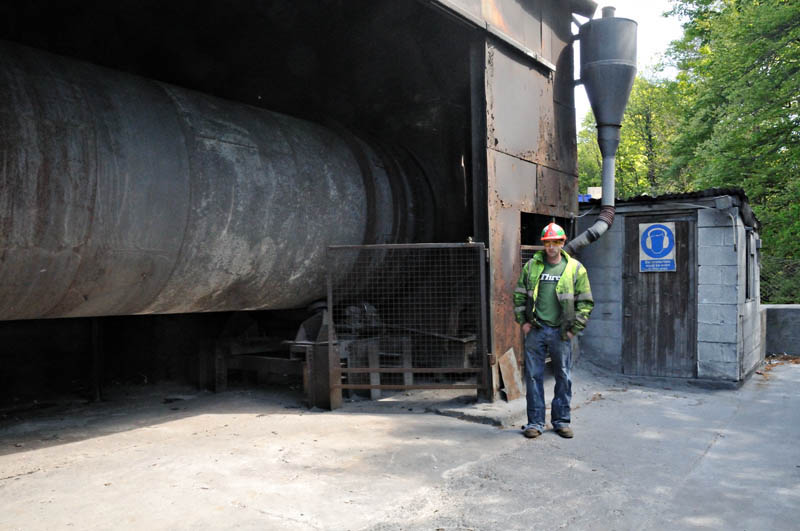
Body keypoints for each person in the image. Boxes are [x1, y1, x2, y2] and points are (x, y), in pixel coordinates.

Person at [513, 222, 593, 439]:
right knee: (533, 377)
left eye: (556, 242)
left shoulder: (575, 269)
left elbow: (585, 303)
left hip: (561, 332)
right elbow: (519, 294)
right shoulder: (532, 267)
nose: (551, 247)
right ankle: (535, 423)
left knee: (563, 377)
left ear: (562, 242)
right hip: (536, 330)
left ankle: (561, 421)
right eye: (548, 243)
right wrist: (523, 322)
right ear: (543, 244)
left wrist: (573, 330)